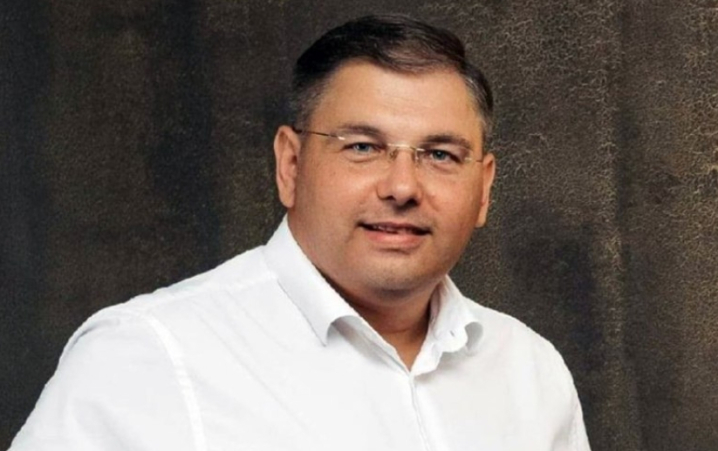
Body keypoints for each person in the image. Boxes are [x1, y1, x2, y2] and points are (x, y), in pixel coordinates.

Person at [10, 14, 591, 451]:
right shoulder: (147, 356)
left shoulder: (529, 372)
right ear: (290, 165)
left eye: (440, 154)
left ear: (484, 188)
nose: (402, 186)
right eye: (362, 147)